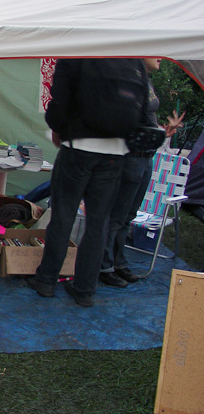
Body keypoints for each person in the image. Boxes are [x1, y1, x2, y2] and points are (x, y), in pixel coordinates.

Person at [28, 58, 149, 307]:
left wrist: (59, 129)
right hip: (116, 153)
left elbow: (59, 102)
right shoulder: (133, 60)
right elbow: (144, 108)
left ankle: (47, 280)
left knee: (63, 216)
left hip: (77, 147)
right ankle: (85, 290)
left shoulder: (78, 53)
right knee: (99, 223)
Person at [99, 58, 185, 287]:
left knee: (128, 216)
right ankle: (104, 267)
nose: (159, 56)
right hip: (131, 158)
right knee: (117, 216)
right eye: (153, 51)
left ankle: (119, 263)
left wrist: (162, 132)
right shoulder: (128, 80)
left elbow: (142, 120)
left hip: (147, 157)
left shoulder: (145, 79)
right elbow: (126, 122)